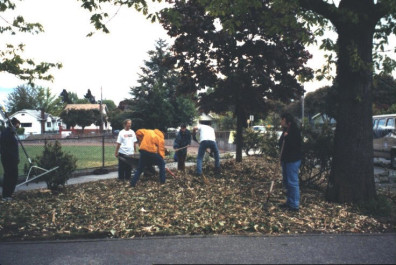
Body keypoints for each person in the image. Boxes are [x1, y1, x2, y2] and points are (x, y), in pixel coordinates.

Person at [278, 112, 302, 212]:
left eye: (282, 119)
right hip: (285, 159)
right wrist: (284, 137)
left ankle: (294, 205)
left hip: (293, 160)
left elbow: (295, 145)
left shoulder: (294, 130)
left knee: (292, 182)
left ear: (286, 120)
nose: (281, 122)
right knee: (287, 181)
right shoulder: (285, 130)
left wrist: (287, 137)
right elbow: (280, 143)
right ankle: (289, 201)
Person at [0, 117, 21, 201]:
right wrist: (13, 158)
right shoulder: (6, 133)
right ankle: (6, 195)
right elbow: (6, 147)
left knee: (13, 176)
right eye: (16, 126)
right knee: (10, 176)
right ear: (12, 125)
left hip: (13, 159)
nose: (17, 128)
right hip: (8, 159)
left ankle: (8, 194)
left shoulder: (11, 133)